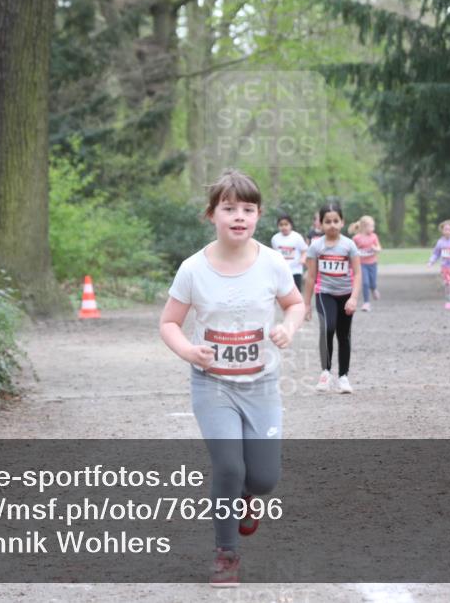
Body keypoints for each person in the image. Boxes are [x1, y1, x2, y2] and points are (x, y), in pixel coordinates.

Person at [159, 169, 305, 588]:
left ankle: (246, 498)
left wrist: (289, 328)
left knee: (262, 479)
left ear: (258, 215)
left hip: (260, 384)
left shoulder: (273, 263)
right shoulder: (193, 269)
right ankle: (226, 555)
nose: (238, 216)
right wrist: (188, 350)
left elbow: (294, 304)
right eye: (229, 208)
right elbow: (169, 322)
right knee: (227, 465)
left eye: (247, 209)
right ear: (212, 215)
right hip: (213, 384)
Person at [303, 203, 361, 394]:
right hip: (324, 293)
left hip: (345, 295)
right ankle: (325, 373)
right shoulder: (316, 246)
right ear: (320, 224)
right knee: (327, 328)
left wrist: (353, 298)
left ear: (342, 222)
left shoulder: (348, 245)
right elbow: (311, 277)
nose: (332, 225)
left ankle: (343, 377)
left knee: (344, 335)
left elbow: (358, 274)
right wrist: (306, 304)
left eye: (336, 221)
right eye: (327, 221)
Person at [349, 215, 383, 311]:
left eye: (373, 226)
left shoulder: (374, 236)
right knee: (365, 283)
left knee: (372, 282)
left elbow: (379, 248)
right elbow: (352, 250)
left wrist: (375, 248)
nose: (373, 228)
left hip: (373, 263)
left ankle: (374, 288)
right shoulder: (356, 238)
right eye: (371, 226)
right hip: (361, 264)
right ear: (364, 227)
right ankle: (366, 303)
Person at [271, 214, 308, 291]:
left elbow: (304, 250)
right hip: (281, 271)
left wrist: (303, 259)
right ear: (278, 226)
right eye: (281, 225)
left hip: (295, 271)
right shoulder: (275, 238)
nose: (284, 227)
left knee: (296, 292)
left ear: (291, 225)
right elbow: (274, 253)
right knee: (282, 292)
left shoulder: (297, 237)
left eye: (286, 224)